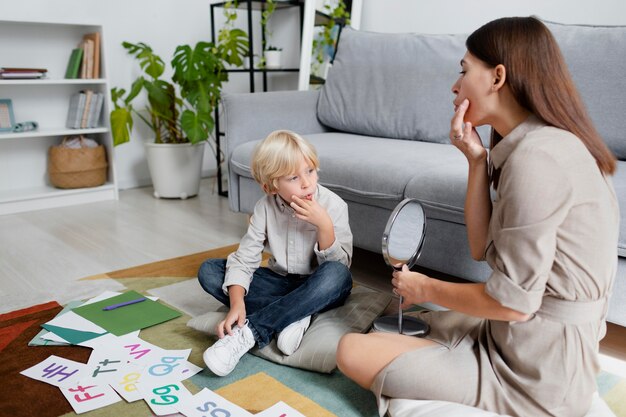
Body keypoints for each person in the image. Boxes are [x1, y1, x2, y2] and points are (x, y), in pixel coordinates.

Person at [336, 16, 619, 417]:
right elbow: (480, 247)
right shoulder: (535, 146)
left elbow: (514, 305)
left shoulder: (539, 159)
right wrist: (476, 161)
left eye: (464, 70)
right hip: (516, 339)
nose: (455, 85)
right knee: (382, 325)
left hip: (540, 371)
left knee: (351, 351)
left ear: (497, 77)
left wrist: (427, 288)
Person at [199, 129, 353, 377]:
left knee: (338, 275)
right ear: (271, 186)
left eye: (310, 171)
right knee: (209, 270)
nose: (306, 183)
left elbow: (340, 265)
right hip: (280, 283)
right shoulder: (264, 208)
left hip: (320, 283)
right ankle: (297, 313)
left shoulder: (333, 205)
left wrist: (324, 225)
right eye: (293, 177)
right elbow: (245, 259)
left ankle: (252, 333)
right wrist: (237, 304)